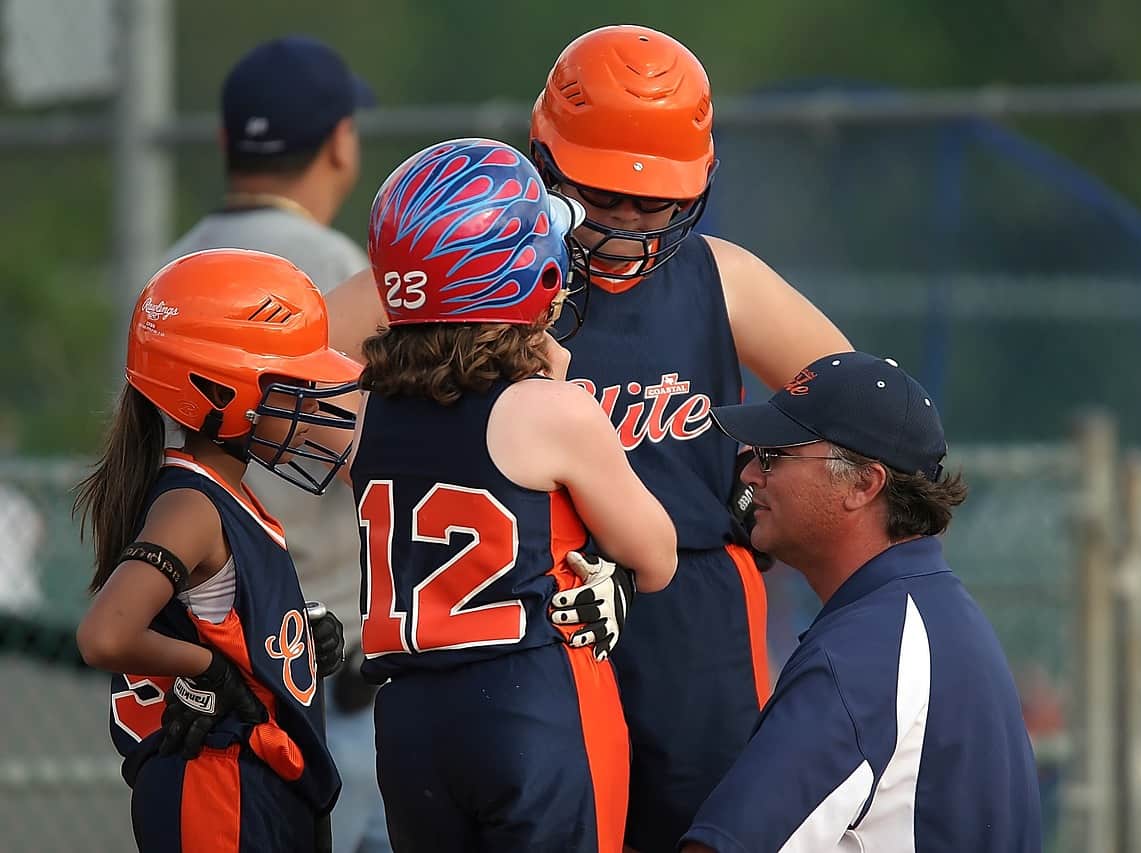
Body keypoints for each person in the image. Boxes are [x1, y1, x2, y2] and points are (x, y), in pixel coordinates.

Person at [322, 25, 852, 851]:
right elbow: (291, 361)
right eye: (602, 196)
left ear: (700, 182)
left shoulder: (720, 276)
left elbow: (852, 395)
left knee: (704, 826)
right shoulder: (466, 262)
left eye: (654, 202)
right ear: (544, 162)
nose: (629, 224)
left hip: (688, 610)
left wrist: (761, 486)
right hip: (524, 622)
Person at [351, 138, 677, 852]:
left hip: (407, 722)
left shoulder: (361, 409)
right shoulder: (547, 409)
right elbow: (656, 555)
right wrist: (558, 384)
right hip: (528, 706)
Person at [162, 35, 385, 852]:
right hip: (322, 677)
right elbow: (376, 464)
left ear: (226, 145)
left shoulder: (167, 270)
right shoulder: (344, 272)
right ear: (339, 142)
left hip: (187, 672)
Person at [680, 351, 1042, 852]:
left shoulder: (865, 652)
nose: (749, 476)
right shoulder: (930, 611)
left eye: (774, 456)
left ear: (863, 484)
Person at [73, 249, 361, 851]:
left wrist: (300, 641)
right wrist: (209, 674)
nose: (309, 399)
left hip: (253, 786)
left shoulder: (224, 497)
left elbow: (217, 618)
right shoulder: (192, 505)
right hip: (219, 789)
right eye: (291, 382)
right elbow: (105, 635)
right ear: (218, 389)